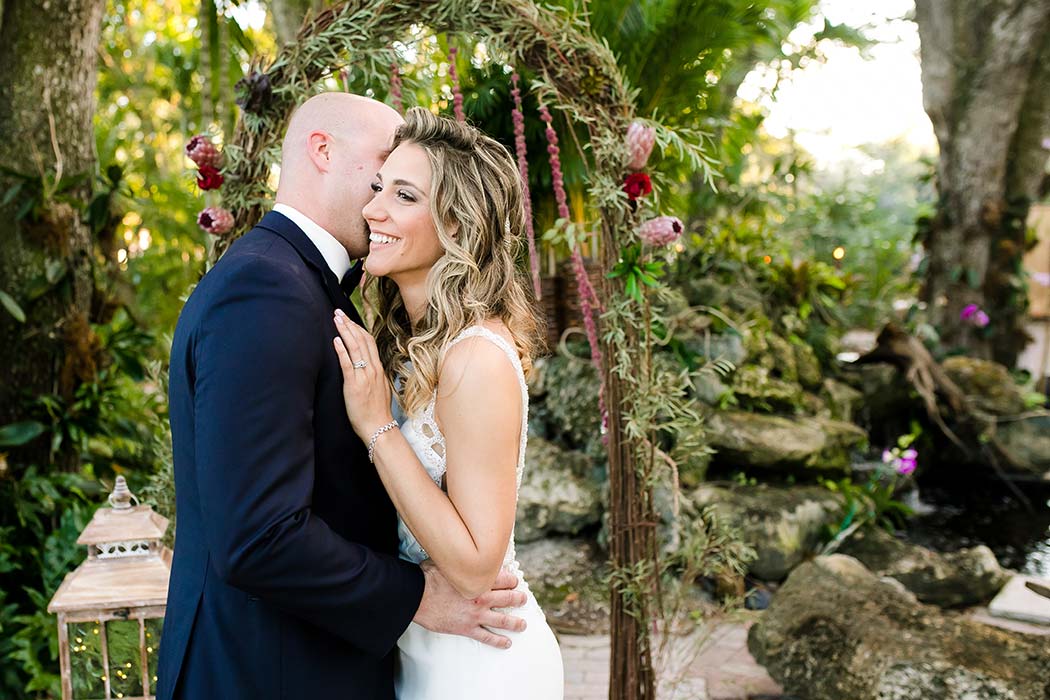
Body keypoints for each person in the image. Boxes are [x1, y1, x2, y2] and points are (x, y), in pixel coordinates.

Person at [157, 93, 528, 700]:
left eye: (402, 191)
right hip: (268, 673)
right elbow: (257, 535)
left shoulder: (308, 286)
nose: (379, 202)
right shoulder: (266, 288)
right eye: (380, 173)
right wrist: (412, 596)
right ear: (323, 151)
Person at [331, 107, 564, 699]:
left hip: (483, 662)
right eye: (379, 188)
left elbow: (476, 564)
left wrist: (378, 426)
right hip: (423, 647)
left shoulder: (474, 358)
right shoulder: (412, 344)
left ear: (457, 227)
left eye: (403, 196)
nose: (371, 210)